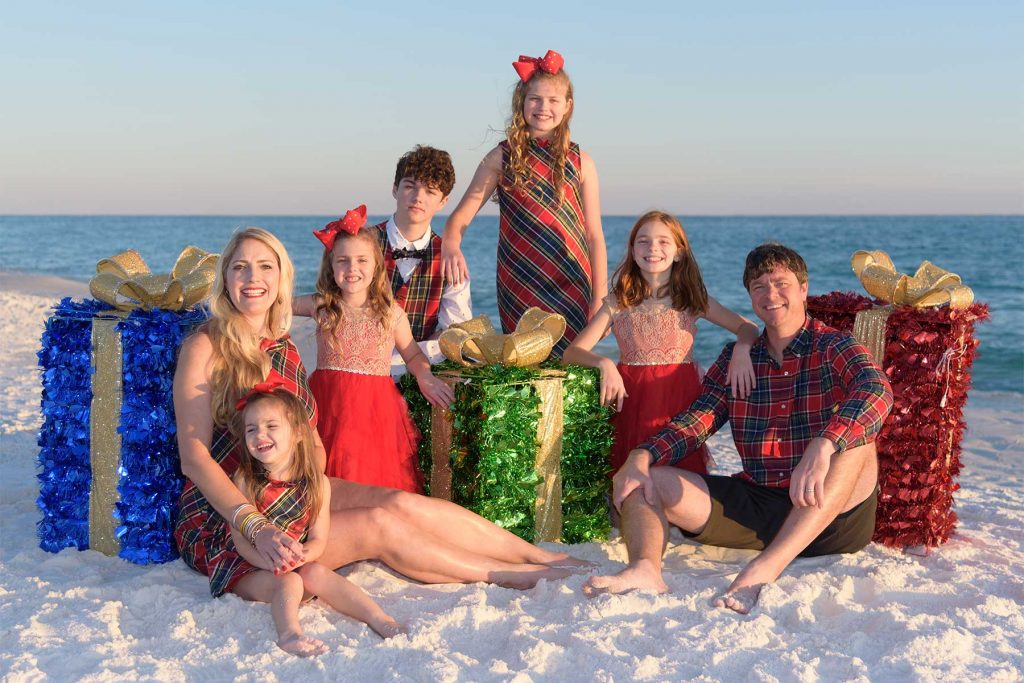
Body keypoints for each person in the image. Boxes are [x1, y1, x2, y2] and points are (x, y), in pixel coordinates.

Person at [174, 226, 581, 605]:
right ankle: (504, 575)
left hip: (294, 492)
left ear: (281, 277)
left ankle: (539, 557)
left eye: (266, 266)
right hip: (229, 513)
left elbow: (312, 440)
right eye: (240, 266)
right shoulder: (205, 345)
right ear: (225, 278)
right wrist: (256, 525)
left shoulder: (284, 348)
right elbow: (193, 457)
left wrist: (312, 495)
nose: (253, 277)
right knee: (378, 525)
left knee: (401, 503)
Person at [583, 243, 894, 614]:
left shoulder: (834, 345)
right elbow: (695, 422)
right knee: (645, 480)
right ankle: (645, 568)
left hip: (831, 516)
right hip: (759, 504)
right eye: (759, 286)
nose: (770, 294)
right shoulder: (737, 358)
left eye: (781, 283)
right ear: (750, 296)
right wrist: (641, 455)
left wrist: (824, 444)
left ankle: (765, 569)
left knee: (859, 443)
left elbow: (877, 392)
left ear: (804, 289)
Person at [563, 211, 758, 478]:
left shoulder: (692, 298)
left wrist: (742, 350)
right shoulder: (618, 301)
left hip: (680, 403)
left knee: (680, 480)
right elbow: (571, 352)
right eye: (643, 241)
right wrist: (604, 363)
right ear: (632, 251)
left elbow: (747, 327)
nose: (653, 248)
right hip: (633, 402)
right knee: (633, 480)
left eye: (663, 241)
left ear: (679, 252)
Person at [441, 49, 607, 357]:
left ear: (567, 106)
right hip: (520, 281)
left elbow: (594, 235)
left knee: (570, 369)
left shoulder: (582, 161)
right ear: (522, 102)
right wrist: (451, 244)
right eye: (535, 99)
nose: (544, 107)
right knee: (524, 365)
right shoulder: (501, 158)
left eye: (553, 100)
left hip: (573, 281)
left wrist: (600, 296)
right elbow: (460, 217)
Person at [228, 377, 404, 656]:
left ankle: (379, 618)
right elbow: (239, 540)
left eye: (271, 426)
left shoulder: (316, 483)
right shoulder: (246, 481)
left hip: (294, 561)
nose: (260, 435)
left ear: (298, 433)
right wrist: (269, 562)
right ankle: (290, 635)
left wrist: (304, 556)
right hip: (249, 568)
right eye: (252, 429)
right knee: (291, 581)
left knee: (315, 573)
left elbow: (319, 539)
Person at [294, 205, 452, 492]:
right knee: (329, 473)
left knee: (372, 478)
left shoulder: (391, 313)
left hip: (375, 410)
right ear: (331, 267)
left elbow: (413, 354)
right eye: (342, 260)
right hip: (328, 403)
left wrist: (424, 376)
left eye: (361, 260)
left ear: (377, 265)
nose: (352, 268)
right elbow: (276, 305)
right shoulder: (323, 305)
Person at [367, 145, 472, 376]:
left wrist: (408, 361)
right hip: (362, 369)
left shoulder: (450, 259)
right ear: (395, 189)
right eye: (410, 186)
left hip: (421, 375)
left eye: (430, 191)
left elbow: (454, 331)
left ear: (443, 201)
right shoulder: (363, 244)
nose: (417, 198)